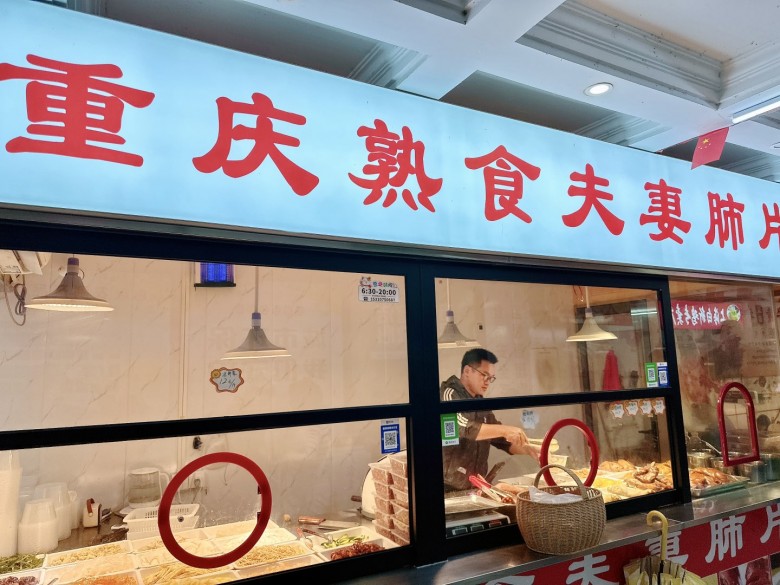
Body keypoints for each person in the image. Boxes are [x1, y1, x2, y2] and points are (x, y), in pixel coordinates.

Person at [440, 348, 539, 492]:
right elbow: (460, 426)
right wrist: (506, 430)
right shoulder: (448, 394)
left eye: (491, 378)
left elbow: (501, 440)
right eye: (484, 375)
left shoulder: (480, 402)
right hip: (447, 488)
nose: (487, 382)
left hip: (475, 488)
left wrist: (529, 449)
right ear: (467, 371)